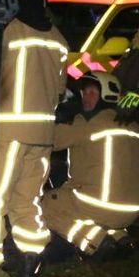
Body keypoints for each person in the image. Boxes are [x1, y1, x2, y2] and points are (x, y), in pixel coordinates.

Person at [0, 0, 69, 277]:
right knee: (27, 203)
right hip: (43, 135)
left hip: (10, 128)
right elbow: (61, 90)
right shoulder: (59, 40)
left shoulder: (10, 30)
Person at [41, 71, 138, 262]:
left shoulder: (87, 123)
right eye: (85, 92)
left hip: (102, 206)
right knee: (87, 197)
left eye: (93, 93)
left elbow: (46, 139)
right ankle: (121, 239)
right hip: (132, 210)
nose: (86, 97)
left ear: (106, 95)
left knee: (47, 204)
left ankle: (96, 242)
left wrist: (58, 117)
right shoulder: (133, 125)